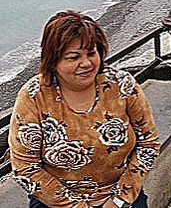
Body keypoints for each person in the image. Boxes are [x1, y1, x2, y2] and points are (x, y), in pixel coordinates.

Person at [10, 12, 160, 208]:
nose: (87, 63)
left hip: (122, 196)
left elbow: (149, 143)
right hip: (56, 201)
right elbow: (25, 167)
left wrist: (119, 199)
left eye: (91, 53)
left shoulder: (122, 85)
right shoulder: (33, 96)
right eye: (74, 57)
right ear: (53, 61)